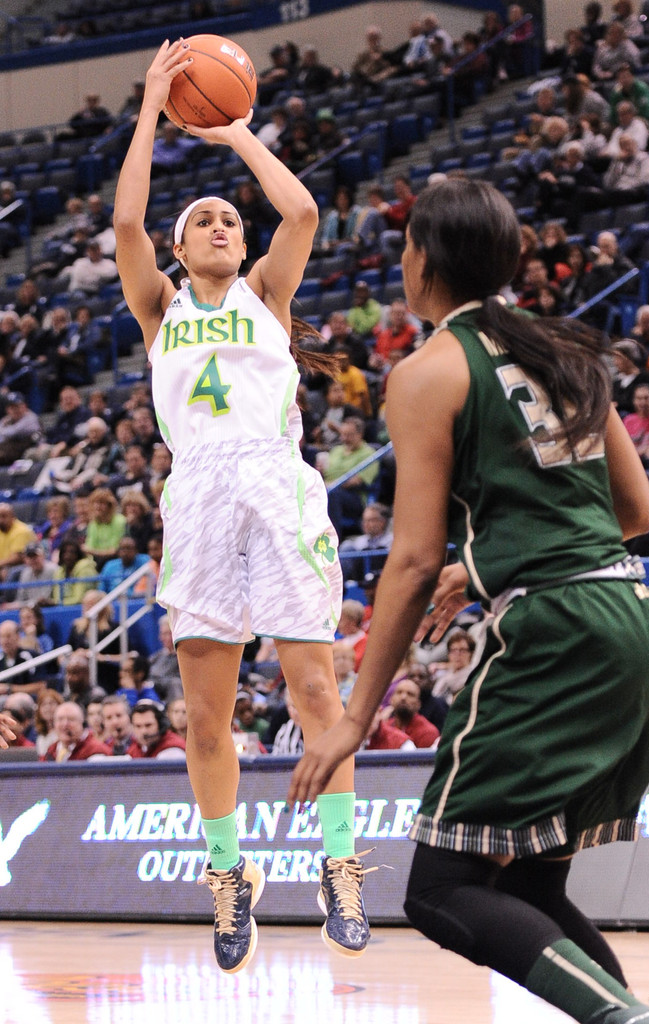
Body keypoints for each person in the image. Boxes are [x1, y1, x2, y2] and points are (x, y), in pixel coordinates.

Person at [288, 178, 649, 1024]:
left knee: (440, 889)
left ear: (421, 261)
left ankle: (631, 1022)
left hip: (556, 633)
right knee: (529, 885)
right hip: (629, 617)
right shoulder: (566, 349)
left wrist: (355, 716)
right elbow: (636, 513)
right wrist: (496, 557)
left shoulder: (427, 370)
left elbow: (415, 558)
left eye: (403, 248)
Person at [112, 39, 372, 974]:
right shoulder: (159, 307)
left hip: (274, 477)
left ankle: (338, 860)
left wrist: (234, 135)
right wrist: (151, 108)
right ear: (181, 251)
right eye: (206, 221)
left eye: (228, 217)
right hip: (197, 495)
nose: (222, 223)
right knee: (204, 716)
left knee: (313, 687)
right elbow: (129, 221)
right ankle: (231, 876)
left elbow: (298, 208)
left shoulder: (267, 290)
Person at [41, 700, 111, 760]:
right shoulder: (51, 751)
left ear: (81, 723)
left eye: (71, 719)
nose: (65, 724)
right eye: (60, 719)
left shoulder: (96, 751)